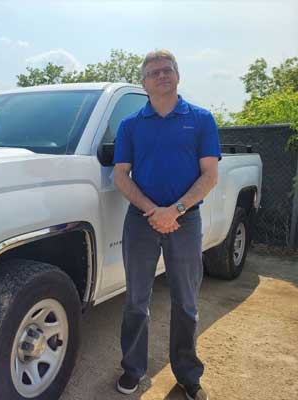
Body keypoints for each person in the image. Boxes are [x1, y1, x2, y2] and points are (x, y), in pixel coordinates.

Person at [112, 49, 221, 400]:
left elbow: (210, 175)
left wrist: (174, 210)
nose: (163, 75)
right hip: (141, 221)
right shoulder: (130, 125)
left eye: (169, 70)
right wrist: (153, 211)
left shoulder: (201, 119)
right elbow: (120, 176)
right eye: (155, 72)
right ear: (144, 83)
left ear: (178, 76)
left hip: (185, 221)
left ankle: (188, 374)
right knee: (135, 301)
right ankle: (133, 370)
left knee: (186, 301)